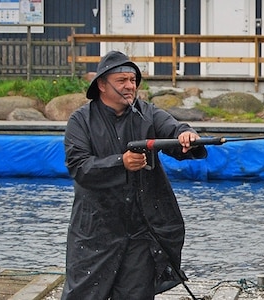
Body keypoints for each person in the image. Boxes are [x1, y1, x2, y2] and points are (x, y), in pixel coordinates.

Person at [61, 50, 206, 299]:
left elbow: (173, 129)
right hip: (95, 230)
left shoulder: (147, 113)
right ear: (102, 85)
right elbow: (79, 167)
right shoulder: (80, 121)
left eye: (133, 80)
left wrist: (187, 135)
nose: (130, 86)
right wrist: (121, 163)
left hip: (140, 230)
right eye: (122, 81)